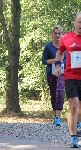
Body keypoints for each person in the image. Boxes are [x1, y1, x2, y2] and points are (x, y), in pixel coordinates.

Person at [55, 12, 81, 148]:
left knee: (80, 109)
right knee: (73, 105)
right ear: (74, 22)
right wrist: (58, 66)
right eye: (80, 22)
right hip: (71, 77)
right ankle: (74, 138)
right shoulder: (67, 37)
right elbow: (59, 53)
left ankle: (78, 124)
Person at [41, 25, 65, 127]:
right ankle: (55, 116)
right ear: (52, 34)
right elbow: (43, 61)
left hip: (63, 74)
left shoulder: (65, 46)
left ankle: (59, 118)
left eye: (59, 33)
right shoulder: (48, 46)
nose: (57, 35)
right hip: (51, 73)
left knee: (60, 92)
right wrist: (54, 60)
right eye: (55, 33)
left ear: (62, 34)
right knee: (54, 95)